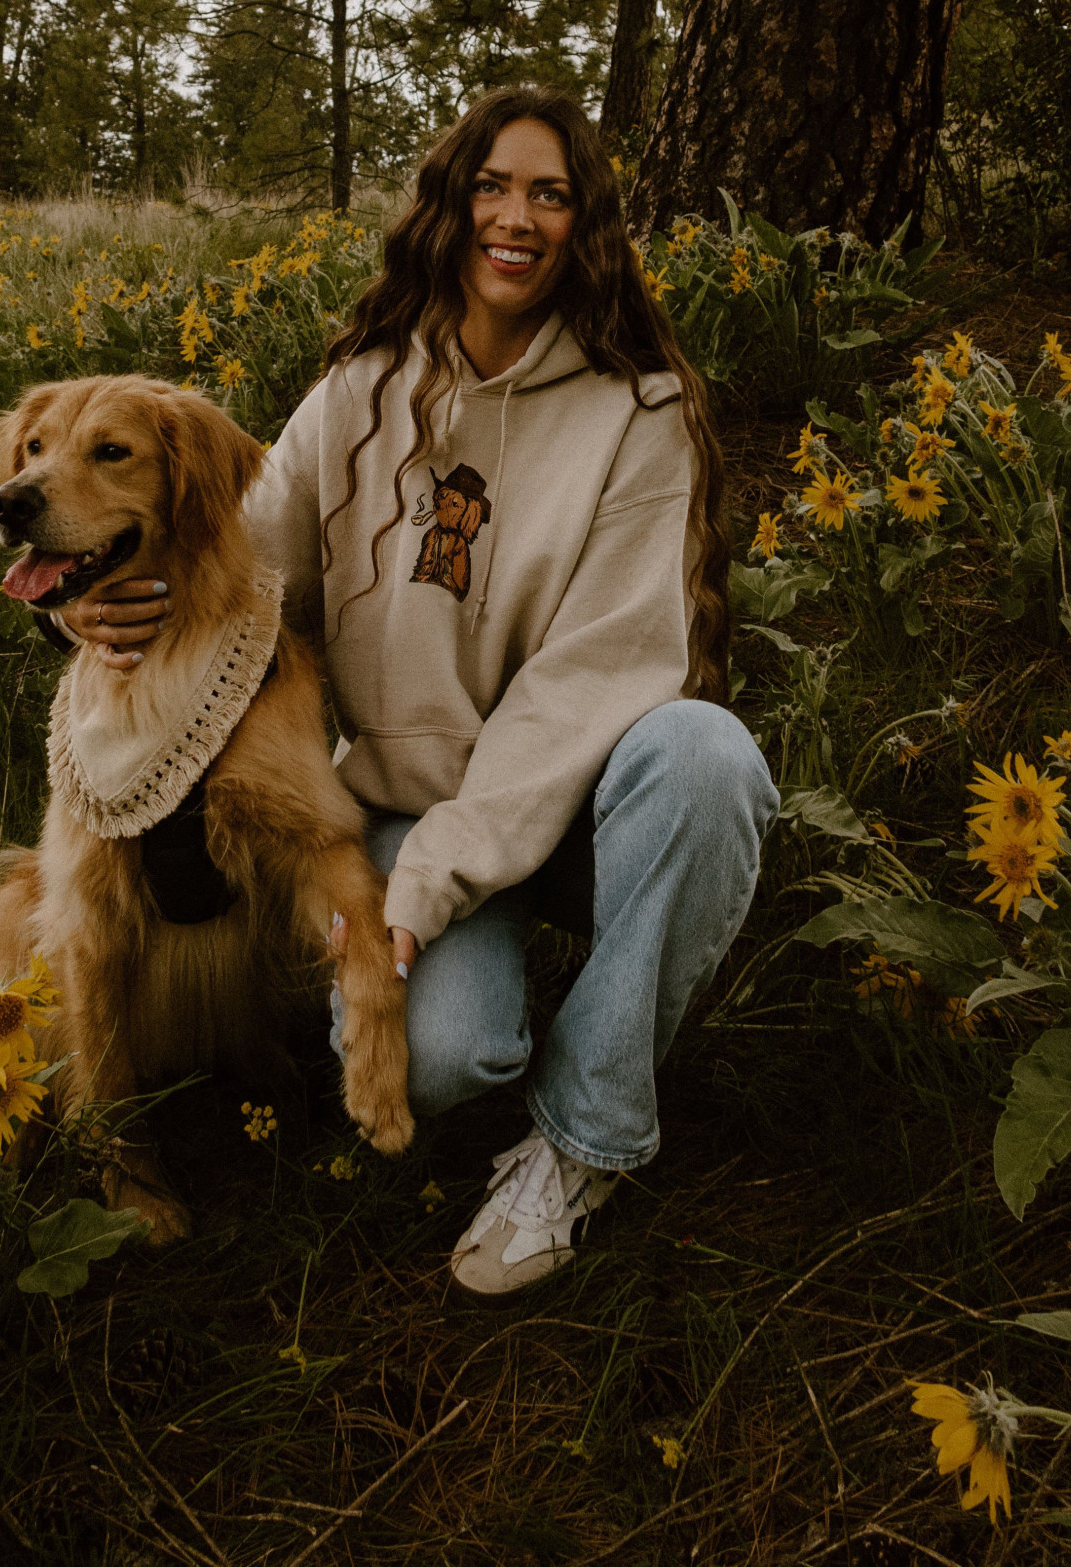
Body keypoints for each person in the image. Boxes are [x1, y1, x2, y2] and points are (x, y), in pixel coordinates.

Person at [59, 85, 779, 1299]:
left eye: (551, 194)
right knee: (440, 1061)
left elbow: (592, 680)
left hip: (583, 805)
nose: (517, 216)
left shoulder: (639, 414)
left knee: (710, 759)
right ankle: (547, 1012)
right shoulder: (360, 393)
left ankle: (580, 1138)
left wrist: (437, 881)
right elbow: (241, 571)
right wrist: (95, 599)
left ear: (584, 225)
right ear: (449, 209)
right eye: (492, 186)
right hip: (405, 808)